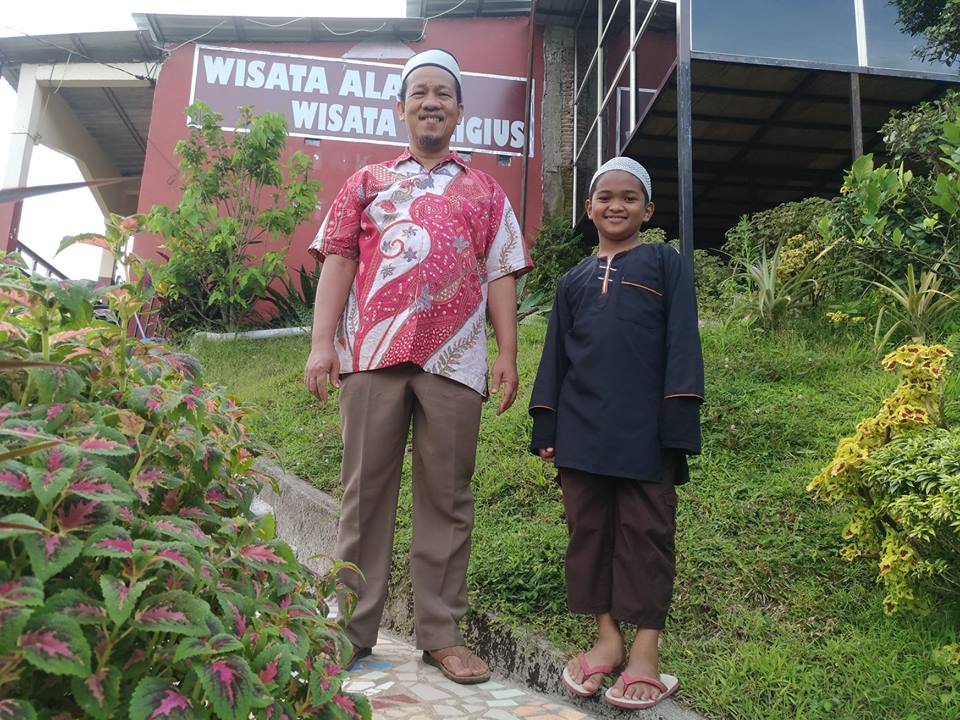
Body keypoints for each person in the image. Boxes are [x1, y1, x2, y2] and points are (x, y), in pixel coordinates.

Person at [303, 48, 532, 684]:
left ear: (459, 110)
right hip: (370, 353)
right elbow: (339, 259)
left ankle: (441, 634)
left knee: (448, 498)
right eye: (420, 93)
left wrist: (507, 354)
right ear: (401, 107)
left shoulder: (485, 190)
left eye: (443, 94)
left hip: (455, 361)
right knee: (363, 495)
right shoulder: (367, 182)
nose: (431, 102)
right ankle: (350, 630)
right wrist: (322, 344)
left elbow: (501, 272)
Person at [528, 157, 703, 710]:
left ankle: (646, 649)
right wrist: (546, 422)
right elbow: (555, 357)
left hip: (646, 434)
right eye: (605, 196)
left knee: (647, 536)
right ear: (589, 208)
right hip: (581, 432)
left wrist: (679, 422)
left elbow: (682, 341)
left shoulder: (665, 264)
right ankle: (607, 639)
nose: (616, 205)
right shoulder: (572, 281)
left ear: (648, 211)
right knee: (588, 535)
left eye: (630, 197)